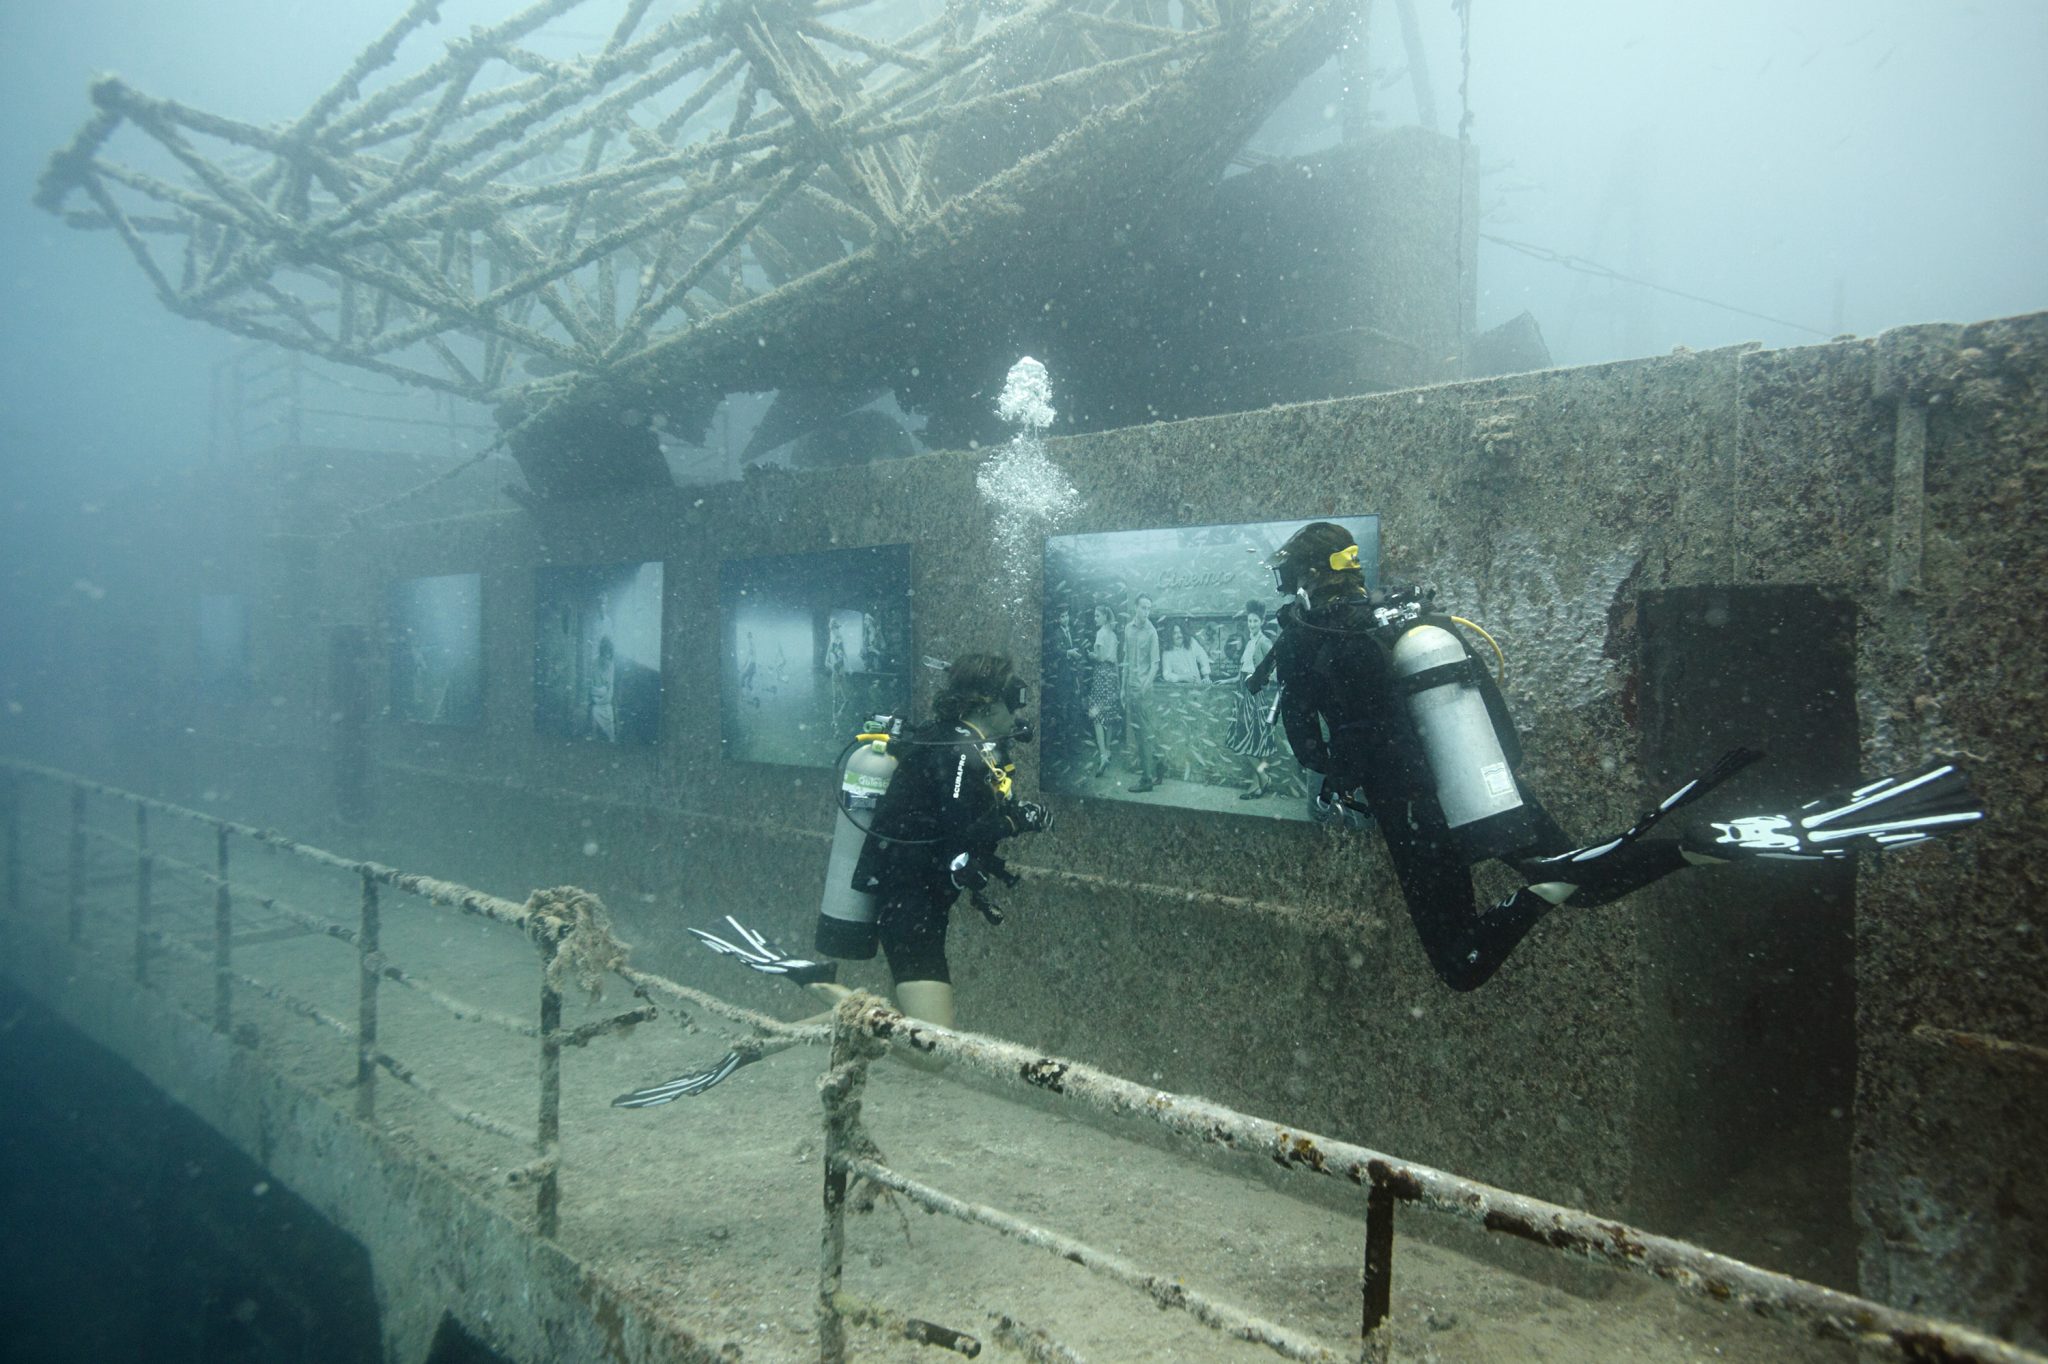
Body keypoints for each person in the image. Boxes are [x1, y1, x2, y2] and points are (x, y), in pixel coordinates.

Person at [1258, 521, 1986, 992]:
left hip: (1417, 818)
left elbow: (1313, 747)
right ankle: (1697, 846)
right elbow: (1499, 726)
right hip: (1483, 785)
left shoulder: (1305, 642)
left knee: (1462, 963)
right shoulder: (1407, 624)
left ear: (1303, 578)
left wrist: (1347, 778)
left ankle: (1552, 885)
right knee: (1591, 883)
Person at [616, 654, 1054, 1105]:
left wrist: (1009, 816)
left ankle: (768, 1043)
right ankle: (810, 978)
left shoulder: (954, 743)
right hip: (912, 908)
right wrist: (1016, 822)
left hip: (917, 901)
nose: (1019, 708)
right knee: (932, 1052)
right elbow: (960, 828)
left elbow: (947, 817)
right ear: (985, 703)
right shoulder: (957, 751)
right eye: (1013, 697)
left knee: (890, 1023)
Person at [1225, 601, 1281, 799]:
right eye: (1249, 621)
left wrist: (1263, 680)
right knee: (1252, 741)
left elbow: (1275, 668)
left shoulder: (1264, 642)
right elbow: (1244, 670)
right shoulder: (1250, 642)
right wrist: (1227, 680)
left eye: (1255, 621)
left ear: (1262, 621)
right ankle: (1257, 785)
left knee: (1249, 739)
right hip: (1243, 692)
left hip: (1253, 695)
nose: (1252, 624)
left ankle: (1263, 778)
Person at [1121, 594, 1162, 791]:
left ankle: (1147, 780)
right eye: (1143, 607)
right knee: (1140, 733)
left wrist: (1143, 689)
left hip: (1144, 691)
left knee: (1144, 734)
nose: (1146, 612)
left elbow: (1155, 665)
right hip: (1130, 687)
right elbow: (1126, 660)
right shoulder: (1128, 629)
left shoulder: (1152, 632)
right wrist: (1123, 688)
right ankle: (1158, 767)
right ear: (1135, 607)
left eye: (1149, 608)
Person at [1086, 603, 1121, 776]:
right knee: (1110, 714)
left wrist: (1090, 655)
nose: (1095, 619)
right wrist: (1118, 681)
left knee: (1096, 715)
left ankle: (1102, 756)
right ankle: (1108, 750)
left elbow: (1099, 657)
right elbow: (1115, 661)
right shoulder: (1113, 635)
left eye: (1097, 616)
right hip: (1112, 676)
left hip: (1101, 675)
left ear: (1105, 617)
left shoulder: (1101, 633)